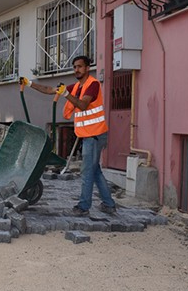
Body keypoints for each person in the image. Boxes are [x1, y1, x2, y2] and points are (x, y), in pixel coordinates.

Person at [19, 55, 116, 216]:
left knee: (87, 172)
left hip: (95, 135)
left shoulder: (93, 85)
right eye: (74, 67)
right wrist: (29, 83)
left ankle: (83, 207)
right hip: (88, 135)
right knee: (95, 170)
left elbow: (83, 105)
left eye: (79, 66)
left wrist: (65, 94)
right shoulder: (77, 87)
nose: (76, 69)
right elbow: (49, 90)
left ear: (87, 68)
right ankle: (109, 204)